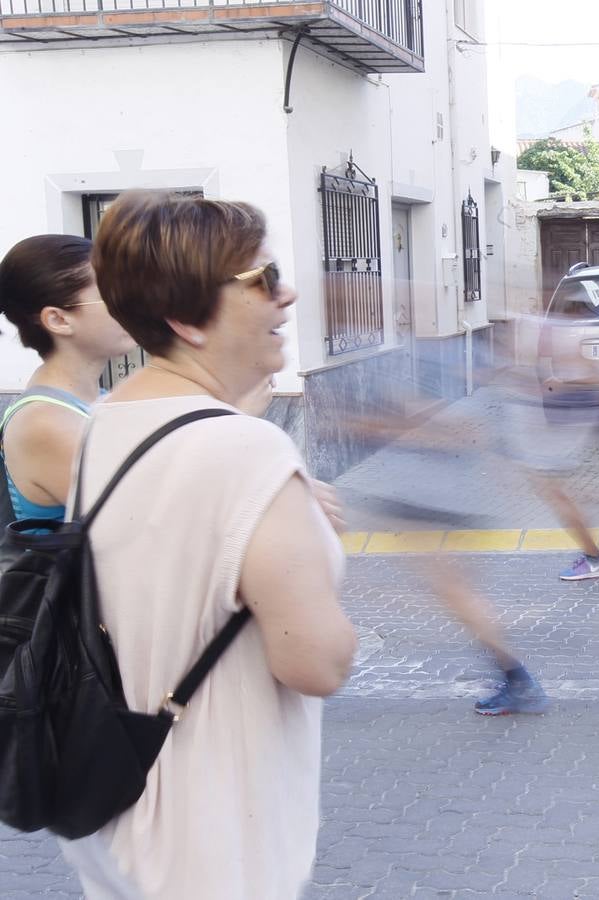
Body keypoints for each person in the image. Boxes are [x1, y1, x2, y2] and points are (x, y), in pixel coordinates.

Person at [56, 192, 357, 900]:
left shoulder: (107, 421)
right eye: (263, 278)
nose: (286, 294)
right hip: (215, 845)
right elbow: (316, 661)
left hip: (121, 819)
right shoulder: (244, 452)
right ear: (188, 319)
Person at [0, 235, 136, 523]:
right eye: (111, 294)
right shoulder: (45, 422)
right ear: (58, 320)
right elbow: (142, 521)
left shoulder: (92, 398)